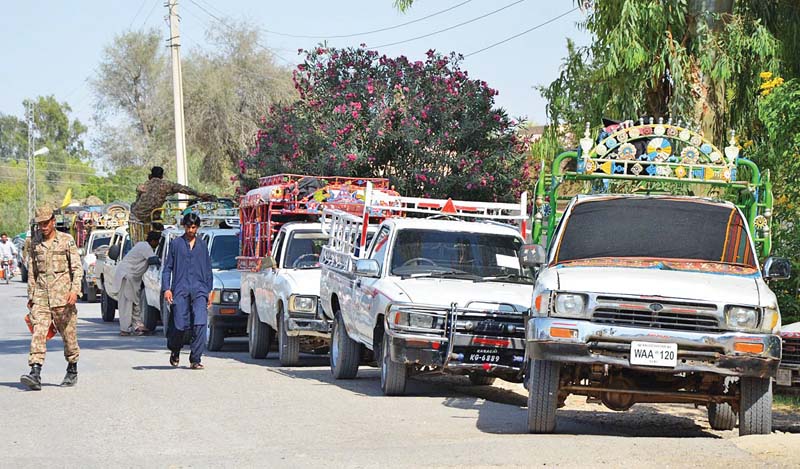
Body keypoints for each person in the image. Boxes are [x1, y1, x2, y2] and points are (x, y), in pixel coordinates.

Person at [20, 205, 83, 390]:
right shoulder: (34, 243)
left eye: (46, 223)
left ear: (53, 222)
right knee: (38, 332)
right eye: (40, 224)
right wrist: (31, 296)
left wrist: (75, 291)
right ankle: (35, 372)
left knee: (69, 336)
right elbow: (32, 271)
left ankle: (72, 368)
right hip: (41, 297)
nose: (43, 227)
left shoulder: (66, 241)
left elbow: (77, 269)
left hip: (63, 298)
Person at [161, 213, 213, 369]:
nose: (191, 230)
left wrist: (209, 291)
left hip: (200, 290)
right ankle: (175, 350)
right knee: (179, 325)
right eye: (189, 227)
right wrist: (167, 289)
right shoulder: (176, 244)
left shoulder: (203, 245)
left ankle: (195, 359)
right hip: (180, 289)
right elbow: (167, 268)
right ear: (184, 226)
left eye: (194, 227)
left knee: (200, 323)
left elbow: (208, 270)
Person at [130, 166, 215, 227]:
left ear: (150, 176)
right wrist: (200, 194)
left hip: (136, 217)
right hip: (151, 218)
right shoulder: (166, 185)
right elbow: (183, 189)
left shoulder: (144, 185)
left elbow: (138, 198)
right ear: (162, 176)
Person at [112, 231, 161, 336]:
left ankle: (138, 326)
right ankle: (124, 329)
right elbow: (153, 260)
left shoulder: (142, 245)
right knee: (126, 303)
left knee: (135, 302)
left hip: (132, 278)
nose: (157, 245)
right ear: (153, 241)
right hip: (126, 276)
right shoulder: (146, 247)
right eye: (157, 242)